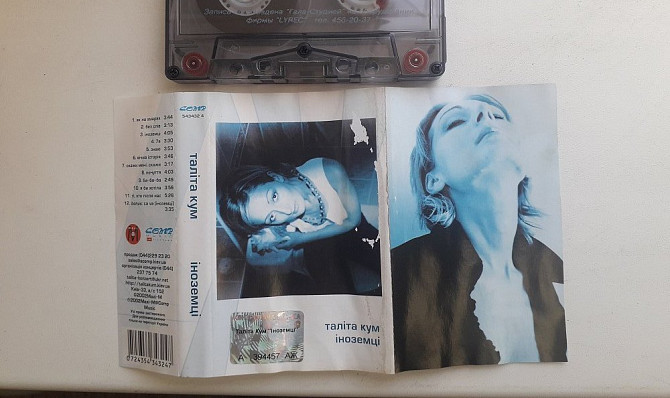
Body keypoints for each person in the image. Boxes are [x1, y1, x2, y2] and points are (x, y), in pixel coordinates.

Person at [392, 94, 567, 370]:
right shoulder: (399, 273)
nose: (486, 117)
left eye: (497, 116)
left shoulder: (560, 275)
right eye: (456, 121)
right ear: (434, 179)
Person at [219, 157, 381, 297]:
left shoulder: (331, 171)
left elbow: (353, 221)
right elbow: (262, 233)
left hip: (352, 230)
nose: (286, 210)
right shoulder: (276, 218)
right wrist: (264, 238)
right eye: (272, 217)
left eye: (274, 196)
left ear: (276, 177)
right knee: (333, 294)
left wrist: (300, 239)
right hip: (320, 244)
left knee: (387, 263)